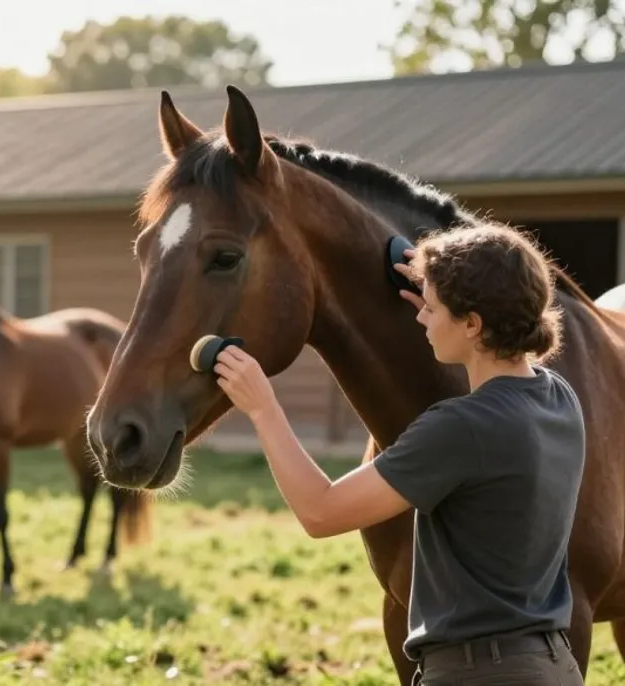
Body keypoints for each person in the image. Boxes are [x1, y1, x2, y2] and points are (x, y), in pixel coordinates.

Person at [213, 223, 587, 685]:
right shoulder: (558, 397)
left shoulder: (460, 428)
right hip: (553, 665)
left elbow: (321, 512)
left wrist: (262, 407)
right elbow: (497, 363)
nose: (422, 318)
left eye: (432, 309)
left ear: (473, 324)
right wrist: (447, 302)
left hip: (479, 674)